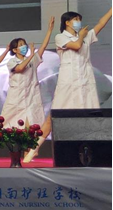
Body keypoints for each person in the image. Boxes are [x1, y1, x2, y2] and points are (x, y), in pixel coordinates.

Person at [24, 8, 112, 162]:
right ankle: (34, 149)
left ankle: (91, 154)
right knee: (52, 118)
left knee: (89, 118)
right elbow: (77, 46)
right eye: (75, 19)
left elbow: (101, 24)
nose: (79, 22)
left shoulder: (85, 36)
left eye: (79, 19)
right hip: (68, 83)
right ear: (67, 22)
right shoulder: (60, 37)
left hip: (86, 83)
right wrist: (82, 36)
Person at [0, 17, 55, 161]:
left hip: (31, 96)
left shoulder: (32, 59)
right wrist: (31, 55)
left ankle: (27, 152)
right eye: (21, 45)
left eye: (24, 44)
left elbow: (43, 48)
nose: (24, 46)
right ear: (14, 50)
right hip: (16, 98)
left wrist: (50, 30)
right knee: (3, 125)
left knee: (31, 126)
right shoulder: (12, 61)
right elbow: (20, 68)